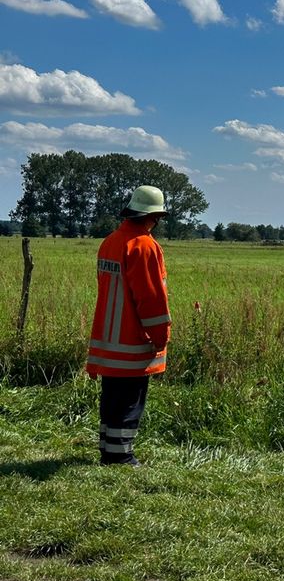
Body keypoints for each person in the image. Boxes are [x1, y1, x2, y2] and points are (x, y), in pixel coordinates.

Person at [87, 185, 171, 466]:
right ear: (154, 216)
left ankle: (108, 450)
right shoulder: (145, 246)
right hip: (133, 341)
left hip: (107, 342)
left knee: (111, 399)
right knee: (129, 402)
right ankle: (121, 456)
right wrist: (162, 337)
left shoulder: (110, 241)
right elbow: (150, 298)